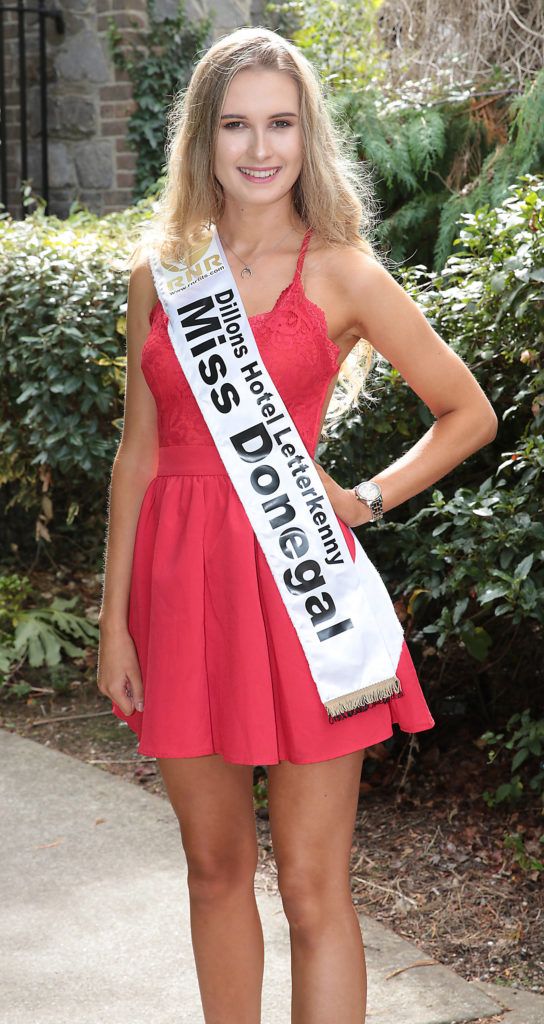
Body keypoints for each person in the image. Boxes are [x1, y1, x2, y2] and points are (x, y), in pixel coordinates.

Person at [96, 25, 497, 1024]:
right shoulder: (165, 274)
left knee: (316, 893)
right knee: (212, 868)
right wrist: (114, 623)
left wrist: (362, 498)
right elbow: (138, 456)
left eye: (279, 122)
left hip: (303, 592)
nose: (258, 146)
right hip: (179, 594)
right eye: (236, 124)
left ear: (306, 134)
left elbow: (468, 412)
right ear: (205, 138)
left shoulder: (344, 272)